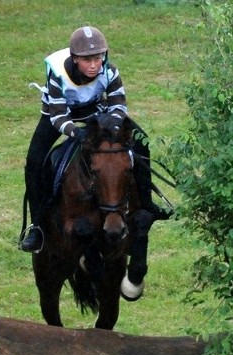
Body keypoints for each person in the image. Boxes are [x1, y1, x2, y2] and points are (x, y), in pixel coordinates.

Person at [19, 25, 170, 253]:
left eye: (98, 58)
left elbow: (118, 104)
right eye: (87, 60)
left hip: (95, 112)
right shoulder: (57, 74)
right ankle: (37, 226)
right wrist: (76, 132)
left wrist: (113, 124)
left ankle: (147, 205)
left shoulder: (110, 71)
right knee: (34, 161)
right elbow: (59, 117)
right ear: (75, 59)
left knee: (142, 140)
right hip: (59, 114)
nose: (93, 65)